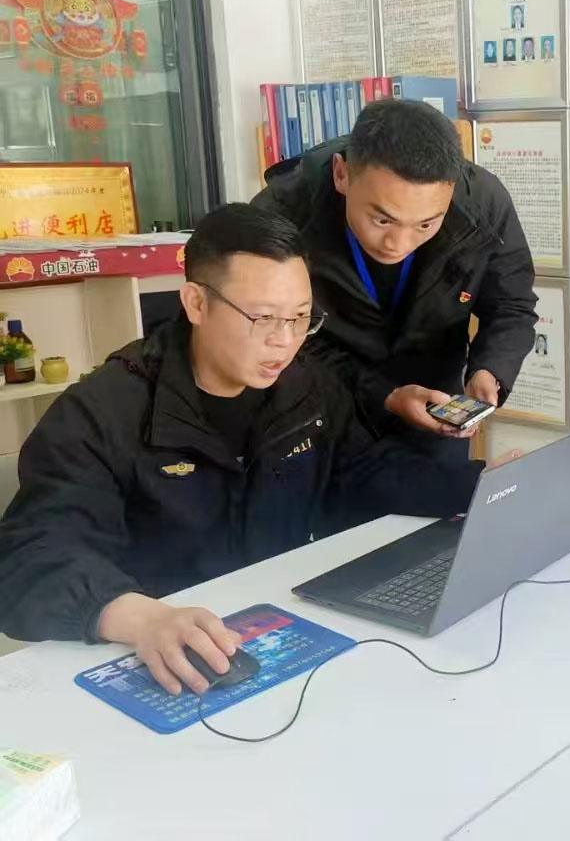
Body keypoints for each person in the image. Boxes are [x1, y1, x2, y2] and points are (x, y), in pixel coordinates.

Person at [0, 206, 485, 691]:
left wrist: (484, 486)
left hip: (280, 628)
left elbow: (367, 472)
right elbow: (27, 559)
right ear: (196, 303)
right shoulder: (103, 411)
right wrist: (141, 618)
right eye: (263, 318)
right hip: (162, 655)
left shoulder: (305, 384)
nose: (284, 342)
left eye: (300, 318)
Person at [252, 98, 537, 461]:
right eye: (382, 220)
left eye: (426, 224)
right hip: (316, 414)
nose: (398, 244)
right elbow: (273, 339)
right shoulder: (282, 215)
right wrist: (382, 394)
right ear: (341, 174)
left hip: (434, 410)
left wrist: (490, 370)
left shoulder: (483, 205)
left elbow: (511, 305)